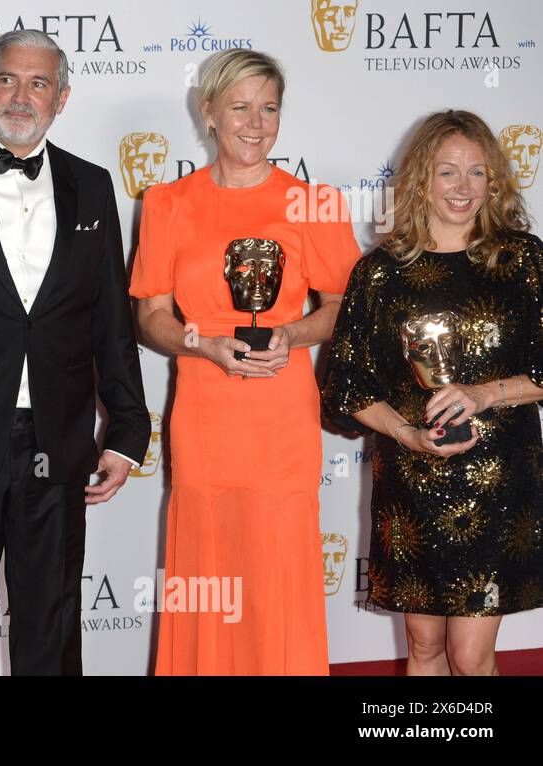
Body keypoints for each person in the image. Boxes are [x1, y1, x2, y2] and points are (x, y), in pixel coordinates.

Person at [0, 28, 149, 675]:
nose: (21, 96)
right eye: (8, 79)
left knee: (52, 621)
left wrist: (126, 430)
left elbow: (111, 319)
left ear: (62, 98)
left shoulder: (93, 187)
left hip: (57, 439)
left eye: (38, 83)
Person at [130, 49, 361, 674]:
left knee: (278, 569)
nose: (255, 123)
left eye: (269, 108)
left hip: (282, 419)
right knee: (205, 563)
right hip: (205, 414)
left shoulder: (315, 203)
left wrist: (291, 333)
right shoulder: (166, 204)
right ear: (208, 113)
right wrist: (202, 344)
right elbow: (151, 317)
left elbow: (342, 306)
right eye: (240, 107)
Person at [322, 109, 543, 675]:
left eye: (477, 173)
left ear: (494, 180)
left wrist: (486, 393)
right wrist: (407, 434)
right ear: (421, 178)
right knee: (422, 647)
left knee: (471, 656)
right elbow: (347, 384)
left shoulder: (523, 261)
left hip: (499, 483)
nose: (462, 188)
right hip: (412, 482)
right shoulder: (381, 273)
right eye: (448, 172)